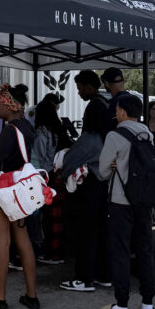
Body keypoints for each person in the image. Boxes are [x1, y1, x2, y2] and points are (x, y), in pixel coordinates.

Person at [97, 94, 155, 309]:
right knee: (144, 250)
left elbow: (103, 172)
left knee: (121, 251)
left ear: (122, 111)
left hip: (121, 201)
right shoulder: (146, 133)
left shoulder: (115, 134)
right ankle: (148, 306)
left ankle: (121, 306)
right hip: (144, 201)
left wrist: (114, 166)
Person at [0, 83, 40, 309]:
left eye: (0, 102)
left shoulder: (10, 130)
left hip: (2, 189)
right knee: (23, 240)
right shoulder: (27, 128)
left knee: (2, 240)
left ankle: (0, 297)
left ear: (9, 105)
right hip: (21, 191)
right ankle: (31, 295)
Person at [58, 99, 111, 292]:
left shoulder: (89, 138)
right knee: (101, 233)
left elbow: (70, 160)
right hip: (104, 188)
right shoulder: (108, 136)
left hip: (87, 189)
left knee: (85, 235)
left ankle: (83, 278)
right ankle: (103, 275)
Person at [30, 98, 73, 264]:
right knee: (59, 215)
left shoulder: (42, 132)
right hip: (58, 176)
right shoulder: (59, 130)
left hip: (46, 177)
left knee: (49, 217)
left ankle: (52, 253)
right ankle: (59, 251)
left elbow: (38, 158)